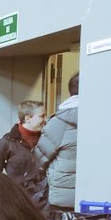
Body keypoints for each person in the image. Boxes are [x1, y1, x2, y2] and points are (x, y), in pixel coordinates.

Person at [0, 99, 48, 210]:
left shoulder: (47, 139)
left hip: (45, 200)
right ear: (27, 118)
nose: (45, 120)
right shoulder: (6, 142)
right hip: (19, 201)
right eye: (42, 116)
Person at [35, 72, 79, 211]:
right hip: (99, 194)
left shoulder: (59, 122)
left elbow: (39, 158)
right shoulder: (107, 117)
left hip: (62, 198)